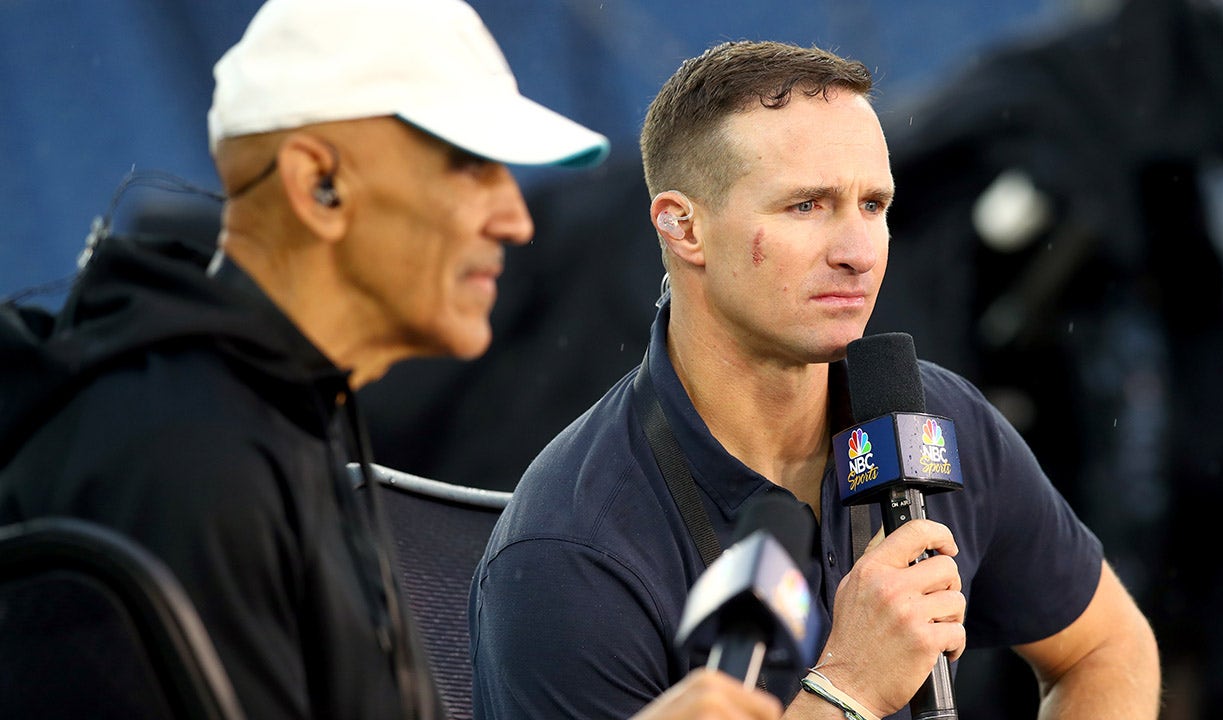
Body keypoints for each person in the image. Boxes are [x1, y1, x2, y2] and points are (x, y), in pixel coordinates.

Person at [0, 1, 781, 719]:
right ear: (320, 183)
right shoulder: (193, 462)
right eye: (470, 165)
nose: (514, 218)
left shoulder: (257, 421)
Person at [469, 40, 1161, 720]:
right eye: (806, 206)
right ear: (683, 228)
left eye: (874, 206)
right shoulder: (570, 551)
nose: (858, 253)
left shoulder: (936, 417)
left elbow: (1108, 646)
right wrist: (849, 689)